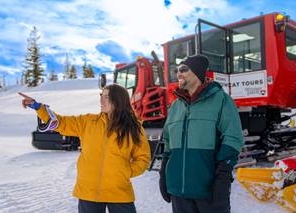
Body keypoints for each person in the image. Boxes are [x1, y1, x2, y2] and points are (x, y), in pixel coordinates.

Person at [18, 84, 151, 213]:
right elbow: (61, 123)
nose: (101, 100)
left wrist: (125, 172)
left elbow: (143, 158)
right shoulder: (88, 122)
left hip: (119, 190)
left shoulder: (134, 128)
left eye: (106, 96)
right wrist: (37, 107)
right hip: (89, 191)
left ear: (118, 100)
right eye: (101, 95)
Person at [159, 54, 243, 213]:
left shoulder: (221, 100)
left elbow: (233, 138)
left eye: (183, 69)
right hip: (179, 194)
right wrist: (164, 171)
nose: (178, 74)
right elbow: (169, 142)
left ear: (197, 73)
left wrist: (223, 177)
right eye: (177, 70)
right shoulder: (176, 106)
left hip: (209, 192)